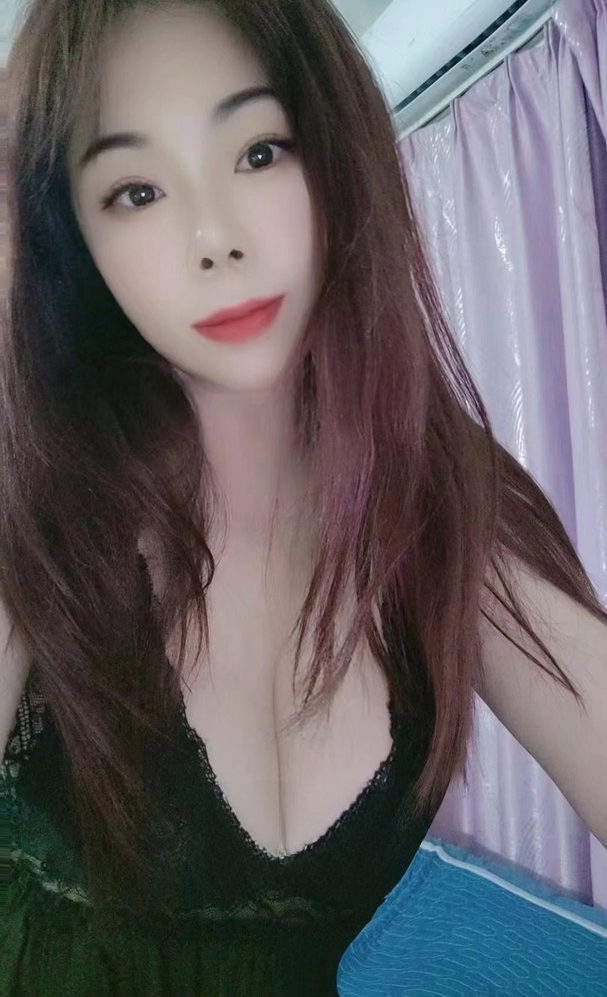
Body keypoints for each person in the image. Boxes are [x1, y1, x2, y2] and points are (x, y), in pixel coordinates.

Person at [1, 2, 604, 995]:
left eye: (259, 151)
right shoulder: (40, 518)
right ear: (73, 242)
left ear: (334, 153)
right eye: (136, 191)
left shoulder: (443, 505)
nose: (214, 238)